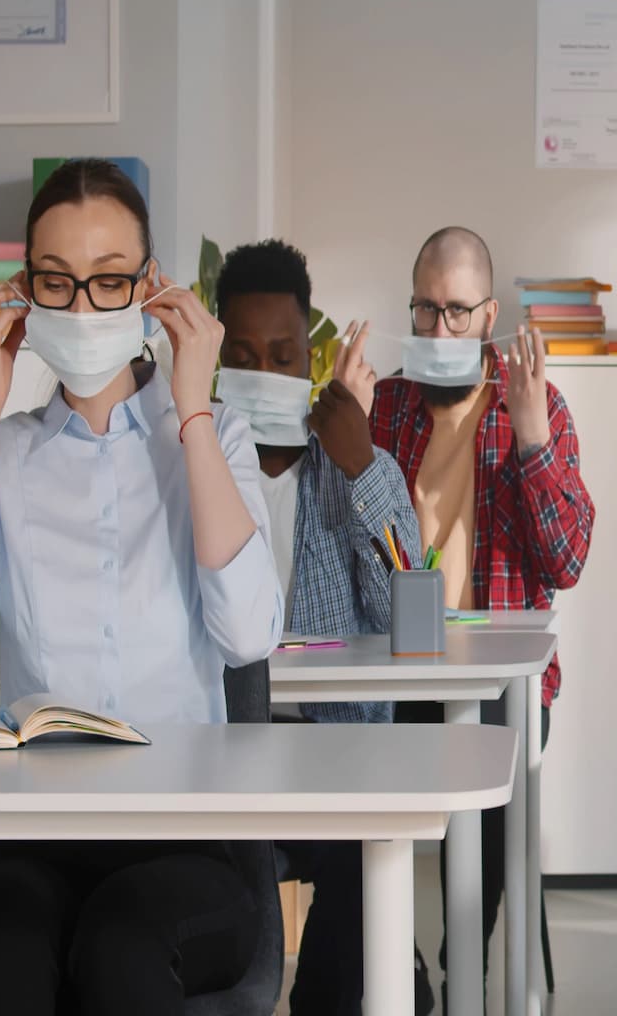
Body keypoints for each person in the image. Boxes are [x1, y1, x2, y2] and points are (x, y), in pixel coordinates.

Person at [0, 159, 283, 1015]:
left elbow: (250, 634)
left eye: (108, 283)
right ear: (22, 293)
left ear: (150, 287)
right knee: (4, 945)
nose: (80, 308)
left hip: (184, 847)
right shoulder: (7, 453)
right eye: (56, 283)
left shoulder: (216, 441)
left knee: (120, 946)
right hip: (28, 844)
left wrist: (195, 411)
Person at [370, 225, 595, 986]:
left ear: (488, 314)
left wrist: (533, 440)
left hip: (501, 683)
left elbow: (565, 563)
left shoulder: (537, 404)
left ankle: (468, 965)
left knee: (494, 808)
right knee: (358, 790)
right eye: (425, 310)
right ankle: (397, 970)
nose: (439, 329)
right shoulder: (387, 406)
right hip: (399, 670)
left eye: (457, 311)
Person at [213, 238, 432, 1016]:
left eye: (281, 355)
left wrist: (365, 464)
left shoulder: (342, 465)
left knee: (356, 861)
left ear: (309, 359)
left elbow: (416, 616)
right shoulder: (193, 467)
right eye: (242, 355)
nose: (263, 374)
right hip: (220, 754)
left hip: (334, 751)